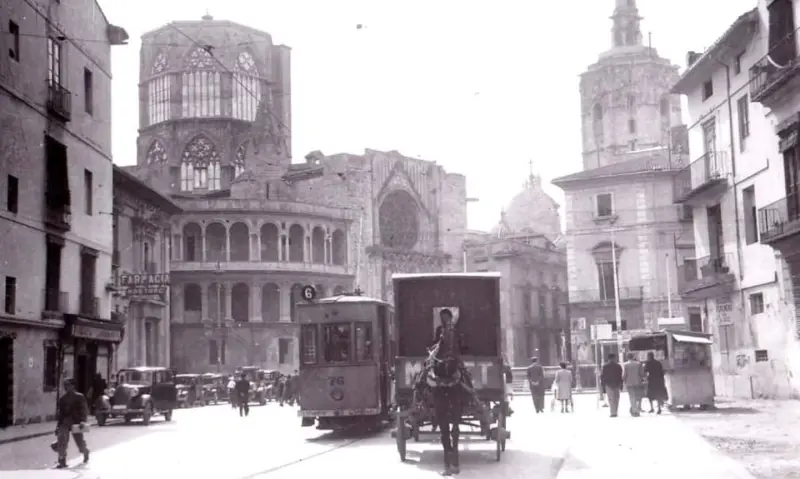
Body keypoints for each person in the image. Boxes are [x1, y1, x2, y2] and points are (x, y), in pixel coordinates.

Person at [53, 378, 90, 469]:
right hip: (65, 422)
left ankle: (85, 452)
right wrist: (58, 427)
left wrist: (82, 420)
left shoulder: (79, 397)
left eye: (68, 385)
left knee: (79, 442)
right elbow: (60, 414)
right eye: (65, 385)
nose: (66, 387)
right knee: (62, 441)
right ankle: (62, 461)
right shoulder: (62, 399)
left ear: (73, 386)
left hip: (76, 422)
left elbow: (84, 410)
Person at [622, 352, 646, 417]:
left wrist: (623, 381)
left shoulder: (625, 364)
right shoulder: (638, 364)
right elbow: (642, 374)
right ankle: (634, 409)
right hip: (638, 382)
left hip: (629, 383)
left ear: (627, 357)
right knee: (637, 397)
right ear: (633, 357)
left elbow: (624, 375)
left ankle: (634, 410)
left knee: (632, 397)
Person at [600, 353, 624, 417]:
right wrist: (621, 384)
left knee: (611, 398)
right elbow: (620, 376)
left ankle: (613, 412)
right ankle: (615, 411)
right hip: (617, 384)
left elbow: (602, 376)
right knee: (616, 398)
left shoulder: (605, 366)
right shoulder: (618, 366)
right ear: (614, 358)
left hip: (608, 384)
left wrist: (603, 385)